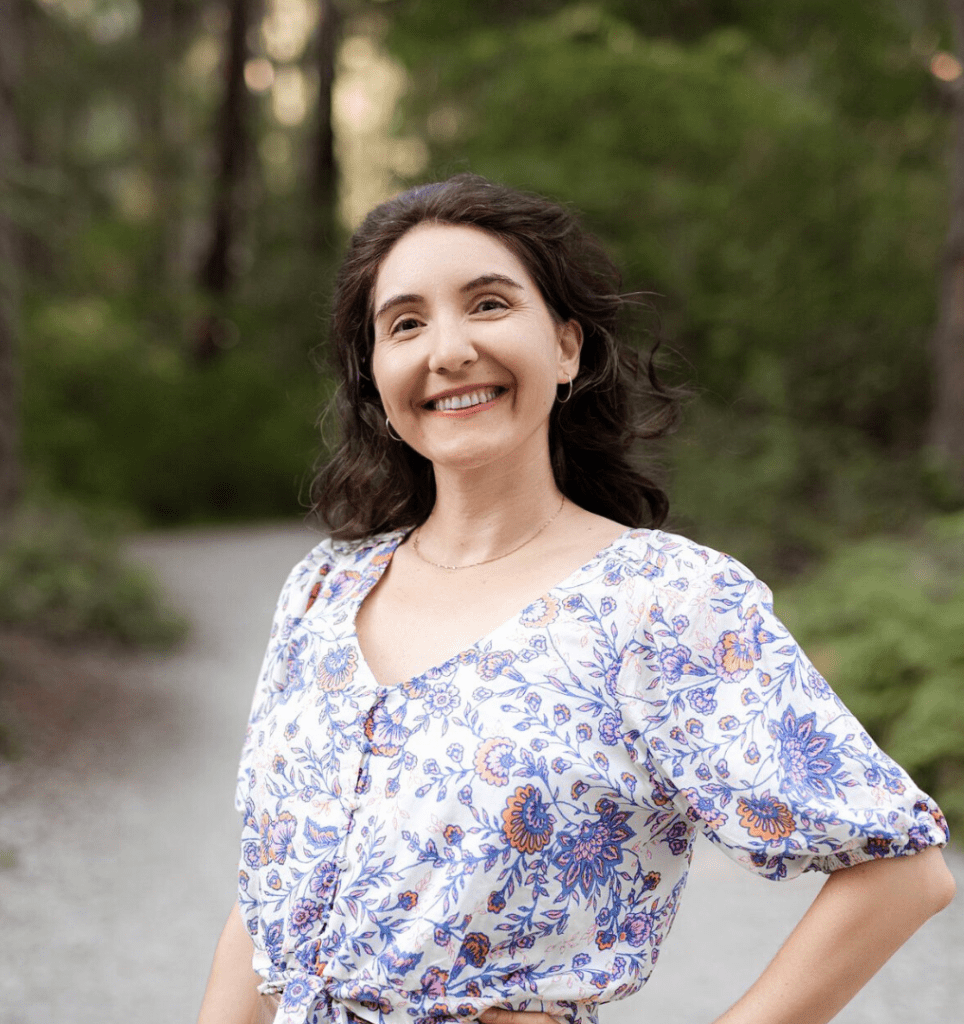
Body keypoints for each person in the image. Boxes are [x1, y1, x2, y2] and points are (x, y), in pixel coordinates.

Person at [197, 174, 955, 1024]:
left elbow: (903, 872)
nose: (447, 350)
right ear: (375, 377)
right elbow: (264, 899)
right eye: (405, 323)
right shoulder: (323, 591)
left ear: (567, 348)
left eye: (488, 304)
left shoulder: (661, 601)